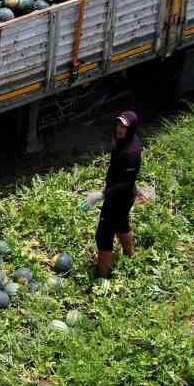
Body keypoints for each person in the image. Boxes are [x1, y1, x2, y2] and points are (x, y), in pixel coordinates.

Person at [81, 111, 143, 278]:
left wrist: (102, 194)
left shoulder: (131, 152)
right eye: (118, 124)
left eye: (124, 127)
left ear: (131, 128)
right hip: (123, 195)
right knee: (122, 224)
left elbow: (125, 183)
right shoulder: (127, 139)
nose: (119, 129)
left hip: (119, 199)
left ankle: (102, 276)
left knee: (104, 235)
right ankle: (130, 256)